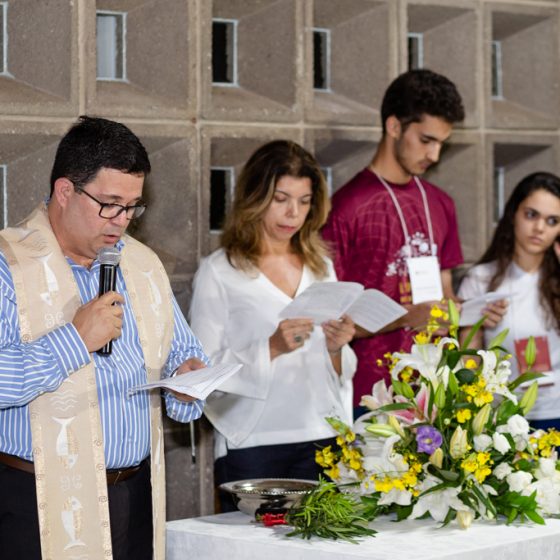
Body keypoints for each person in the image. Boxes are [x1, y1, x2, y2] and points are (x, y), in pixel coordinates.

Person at [0, 116, 208, 560]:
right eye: (110, 204)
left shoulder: (142, 264)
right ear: (65, 191)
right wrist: (74, 340)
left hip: (133, 492)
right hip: (34, 501)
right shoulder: (8, 267)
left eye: (132, 207)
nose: (122, 222)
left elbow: (183, 351)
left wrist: (188, 380)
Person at [189, 140, 356, 510]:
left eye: (304, 201)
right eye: (280, 199)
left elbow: (338, 373)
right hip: (253, 443)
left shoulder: (321, 267)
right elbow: (201, 373)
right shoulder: (220, 271)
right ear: (255, 197)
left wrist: (336, 347)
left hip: (321, 435)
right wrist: (271, 347)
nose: (292, 213)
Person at [323, 69, 469, 414]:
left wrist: (457, 312)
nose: (434, 155)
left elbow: (445, 293)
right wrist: (406, 317)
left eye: (441, 143)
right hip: (370, 394)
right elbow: (329, 321)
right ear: (394, 126)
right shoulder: (346, 208)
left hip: (435, 390)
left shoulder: (441, 203)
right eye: (426, 140)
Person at [459, 172, 560, 431]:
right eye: (531, 215)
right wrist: (477, 322)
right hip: (501, 416)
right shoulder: (481, 279)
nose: (539, 228)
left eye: (552, 221)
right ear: (513, 213)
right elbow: (468, 361)